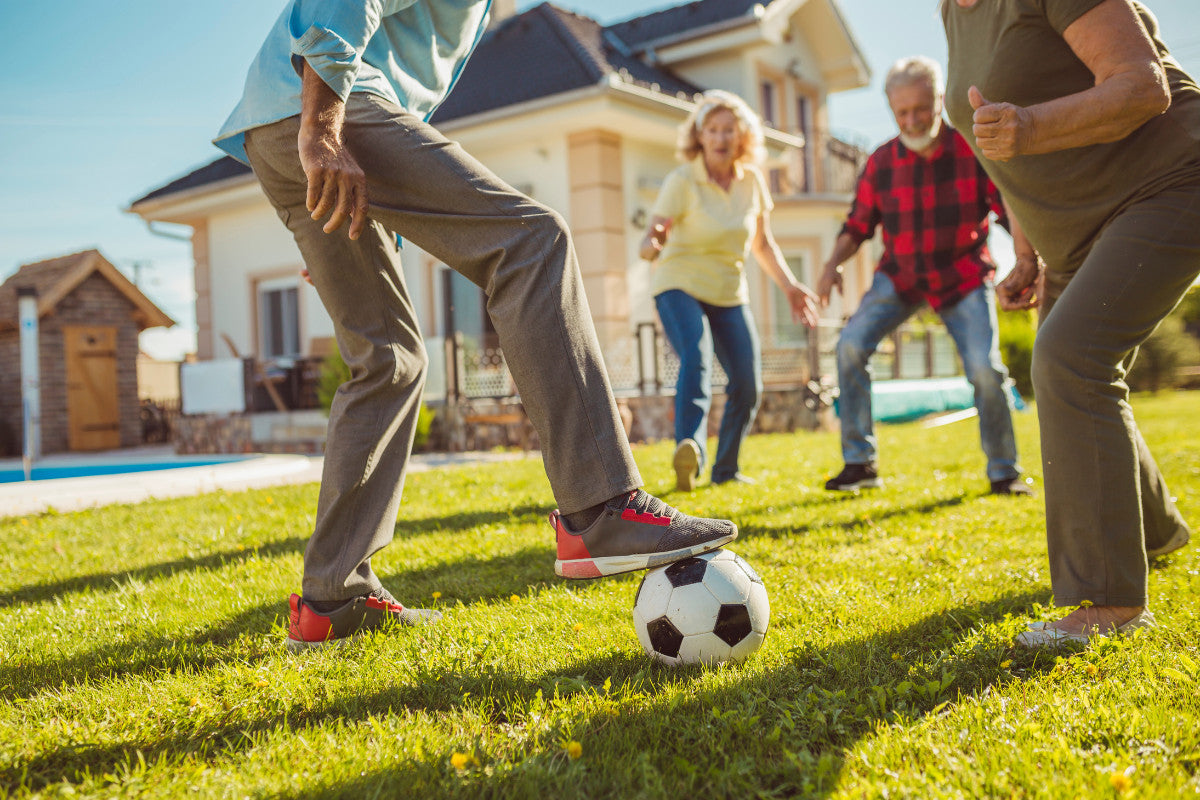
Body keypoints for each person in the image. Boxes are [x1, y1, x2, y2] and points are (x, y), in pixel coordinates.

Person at [214, 0, 738, 651]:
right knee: (531, 242)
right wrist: (321, 130)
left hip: (275, 128)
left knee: (389, 360)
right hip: (321, 107)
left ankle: (333, 599)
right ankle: (601, 509)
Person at [941, 0, 1197, 645]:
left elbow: (1141, 87)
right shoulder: (953, 11)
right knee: (1073, 372)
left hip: (1170, 180)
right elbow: (994, 140)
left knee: (1070, 359)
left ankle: (1108, 603)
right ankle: (1158, 532)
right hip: (1072, 231)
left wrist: (1028, 125)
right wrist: (1026, 248)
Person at [817, 56, 1033, 498]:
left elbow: (1010, 212)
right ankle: (860, 463)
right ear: (892, 111)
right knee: (850, 346)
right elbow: (857, 225)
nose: (912, 121)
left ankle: (1004, 471)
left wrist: (1031, 260)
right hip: (902, 276)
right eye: (902, 113)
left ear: (939, 101)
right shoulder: (881, 162)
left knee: (984, 369)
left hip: (963, 275)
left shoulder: (972, 151)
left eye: (921, 109)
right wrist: (831, 264)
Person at [639, 90, 819, 492]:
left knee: (747, 382)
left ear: (742, 137)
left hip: (728, 291)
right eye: (712, 130)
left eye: (729, 131)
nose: (720, 138)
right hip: (678, 284)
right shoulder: (682, 179)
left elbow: (763, 244)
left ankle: (726, 469)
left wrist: (790, 288)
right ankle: (691, 450)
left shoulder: (752, 181)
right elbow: (652, 234)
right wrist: (652, 243)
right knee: (696, 357)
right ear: (699, 137)